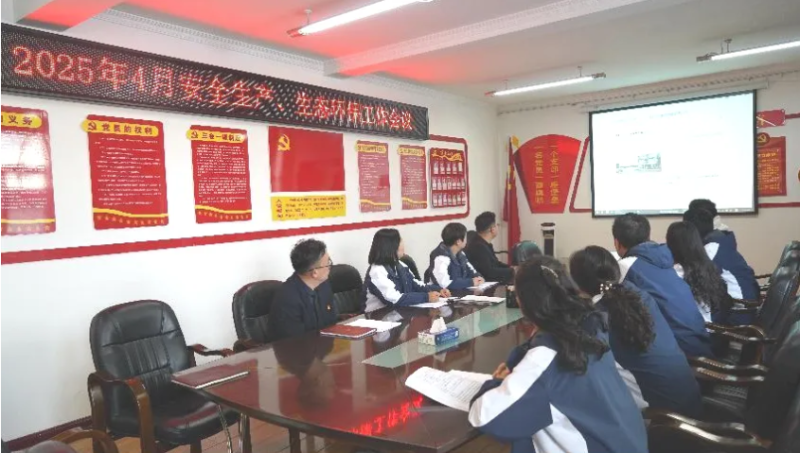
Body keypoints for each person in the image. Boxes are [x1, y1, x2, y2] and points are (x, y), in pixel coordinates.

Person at [469, 256, 647, 453]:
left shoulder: (544, 359)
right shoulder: (591, 328)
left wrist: (496, 382)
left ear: (522, 303)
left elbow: (483, 416)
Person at [570, 246, 703, 417]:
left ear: (579, 286)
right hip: (690, 398)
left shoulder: (595, 321)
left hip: (663, 419)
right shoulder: (639, 295)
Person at [612, 213, 712, 357]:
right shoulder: (668, 260)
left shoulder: (624, 267)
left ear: (617, 243)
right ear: (647, 236)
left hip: (678, 353)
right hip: (701, 344)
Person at [267, 239, 338, 342]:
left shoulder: (323, 285)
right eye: (328, 263)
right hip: (295, 349)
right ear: (315, 273)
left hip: (323, 346)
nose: (330, 267)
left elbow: (331, 323)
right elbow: (294, 341)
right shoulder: (287, 299)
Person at [364, 228, 449, 313]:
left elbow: (416, 285)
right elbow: (394, 299)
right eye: (400, 241)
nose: (403, 245)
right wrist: (426, 297)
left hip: (397, 313)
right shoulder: (376, 271)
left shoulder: (400, 265)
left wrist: (438, 290)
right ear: (391, 246)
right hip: (376, 316)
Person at [683, 208, 759, 301]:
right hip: (745, 297)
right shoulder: (721, 241)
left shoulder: (711, 249)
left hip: (739, 304)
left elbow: (695, 279)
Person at [666, 221, 733, 324]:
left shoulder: (677, 273)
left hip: (696, 328)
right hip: (717, 327)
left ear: (671, 244)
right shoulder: (709, 266)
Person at [426, 222, 484, 290]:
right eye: (465, 237)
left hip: (459, 292)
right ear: (458, 242)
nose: (467, 240)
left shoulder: (461, 254)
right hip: (442, 294)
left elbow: (472, 271)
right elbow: (444, 283)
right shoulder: (440, 257)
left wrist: (478, 278)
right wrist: (470, 282)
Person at [464, 212, 514, 283]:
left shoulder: (484, 243)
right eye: (497, 225)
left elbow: (496, 263)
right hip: (485, 284)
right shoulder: (478, 247)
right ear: (492, 229)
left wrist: (511, 268)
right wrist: (512, 271)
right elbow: (489, 272)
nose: (498, 227)